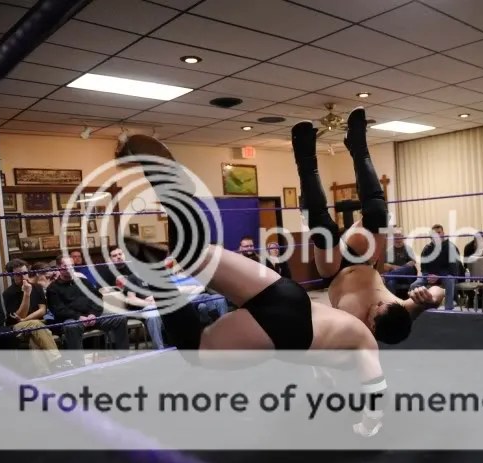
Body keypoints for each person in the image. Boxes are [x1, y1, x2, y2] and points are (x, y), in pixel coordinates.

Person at [116, 132, 403, 437]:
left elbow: (325, 346)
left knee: (190, 252)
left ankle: (166, 179)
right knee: (197, 350)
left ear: (377, 312)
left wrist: (322, 373)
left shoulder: (348, 319)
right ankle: (157, 276)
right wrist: (369, 425)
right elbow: (376, 386)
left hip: (288, 293)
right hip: (288, 329)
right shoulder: (366, 342)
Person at [290, 107, 444, 344]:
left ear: (371, 325)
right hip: (363, 259)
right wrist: (428, 297)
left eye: (377, 308)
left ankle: (304, 154)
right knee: (378, 214)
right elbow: (439, 292)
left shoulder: (353, 331)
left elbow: (316, 335)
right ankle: (357, 143)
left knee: (325, 229)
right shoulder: (400, 311)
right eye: (384, 303)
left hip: (334, 273)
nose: (379, 302)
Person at [2, 259, 63, 375]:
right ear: (11, 276)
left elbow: (42, 310)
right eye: (18, 275)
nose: (23, 277)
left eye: (25, 273)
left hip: (37, 324)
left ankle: (44, 373)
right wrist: (26, 295)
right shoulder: (8, 293)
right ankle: (56, 359)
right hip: (17, 326)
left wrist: (25, 319)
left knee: (34, 338)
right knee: (35, 325)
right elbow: (18, 317)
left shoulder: (37, 287)